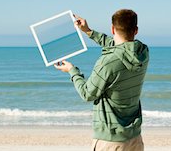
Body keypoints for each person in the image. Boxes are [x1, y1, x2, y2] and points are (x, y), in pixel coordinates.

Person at [54, 9, 149, 151]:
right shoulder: (143, 52)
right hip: (134, 139)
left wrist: (72, 71)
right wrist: (88, 31)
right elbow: (119, 46)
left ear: (112, 28)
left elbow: (87, 94)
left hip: (110, 141)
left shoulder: (107, 62)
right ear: (136, 30)